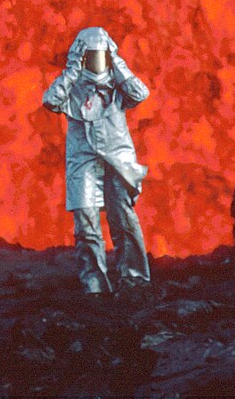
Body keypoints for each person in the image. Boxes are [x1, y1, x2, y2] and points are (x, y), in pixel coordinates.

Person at [42, 26, 151, 295]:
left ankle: (133, 277)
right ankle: (94, 284)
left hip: (117, 156)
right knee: (86, 220)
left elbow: (140, 93)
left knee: (123, 217)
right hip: (83, 159)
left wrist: (118, 64)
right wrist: (72, 72)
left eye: (100, 55)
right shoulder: (72, 86)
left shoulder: (117, 84)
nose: (96, 62)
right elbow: (50, 100)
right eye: (90, 56)